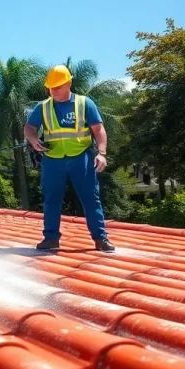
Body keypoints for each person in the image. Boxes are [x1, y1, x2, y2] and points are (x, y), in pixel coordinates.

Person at [24, 65, 116, 252]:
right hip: (52, 160)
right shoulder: (43, 107)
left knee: (90, 198)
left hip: (81, 157)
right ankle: (51, 239)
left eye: (58, 86)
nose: (53, 90)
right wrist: (33, 140)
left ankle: (100, 239)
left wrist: (102, 153)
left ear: (69, 83)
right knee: (51, 199)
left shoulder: (85, 103)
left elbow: (99, 130)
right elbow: (29, 128)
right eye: (50, 87)